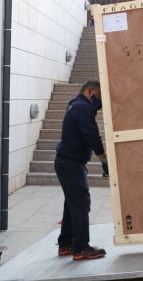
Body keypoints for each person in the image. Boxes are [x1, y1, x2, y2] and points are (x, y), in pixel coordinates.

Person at [55, 80, 108, 260]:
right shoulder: (82, 108)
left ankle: (65, 244)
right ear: (90, 92)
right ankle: (81, 248)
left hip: (66, 163)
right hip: (71, 164)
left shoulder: (75, 105)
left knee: (71, 205)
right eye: (99, 97)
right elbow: (92, 135)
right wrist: (104, 159)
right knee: (80, 205)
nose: (99, 102)